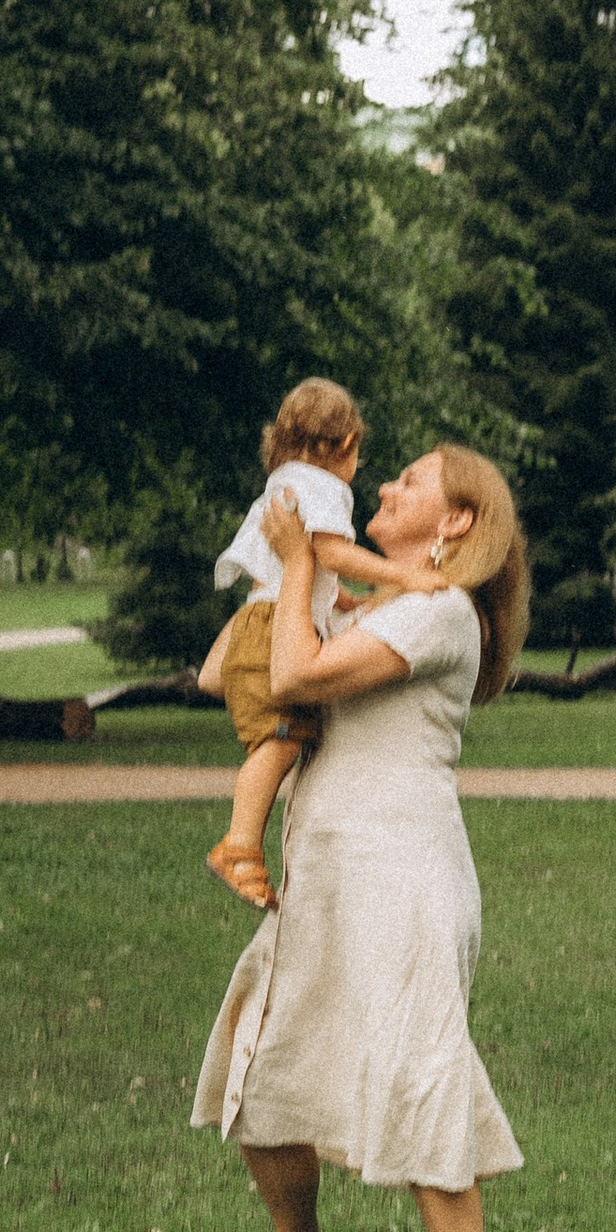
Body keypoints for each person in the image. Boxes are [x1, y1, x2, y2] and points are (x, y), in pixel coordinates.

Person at [192, 443, 529, 1232]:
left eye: (411, 482)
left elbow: (296, 683)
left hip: (405, 875)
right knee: (261, 1076)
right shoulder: (373, 606)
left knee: (420, 1072)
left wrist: (304, 564)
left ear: (456, 523)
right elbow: (229, 674)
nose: (383, 486)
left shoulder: (441, 614)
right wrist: (280, 577)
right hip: (326, 877)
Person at [198, 378, 424, 911]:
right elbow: (332, 554)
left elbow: (313, 568)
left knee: (282, 740)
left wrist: (343, 602)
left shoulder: (283, 482)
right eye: (358, 457)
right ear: (345, 445)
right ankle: (238, 847)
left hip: (262, 619)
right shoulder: (323, 487)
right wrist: (404, 578)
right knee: (277, 741)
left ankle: (243, 845)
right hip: (275, 624)